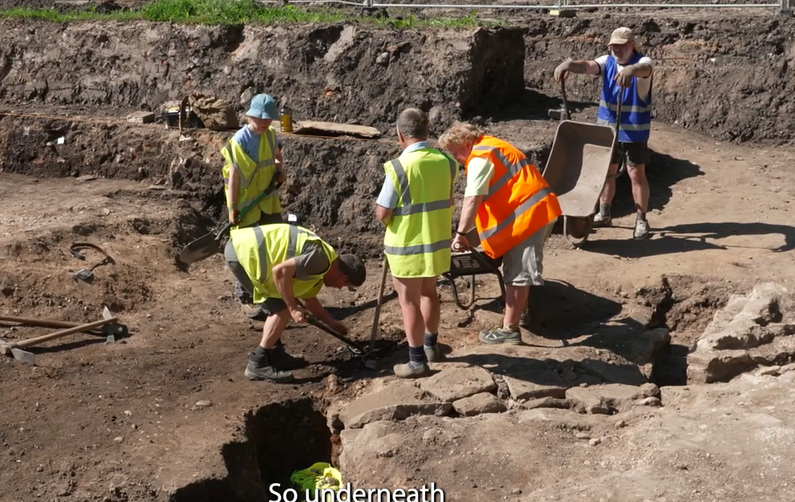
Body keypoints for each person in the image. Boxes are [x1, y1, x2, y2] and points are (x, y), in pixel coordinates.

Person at [438, 123, 563, 345]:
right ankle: (518, 311)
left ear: (467, 143)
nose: (455, 157)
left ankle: (510, 330)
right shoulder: (491, 147)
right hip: (533, 211)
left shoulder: (479, 158)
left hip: (530, 215)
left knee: (517, 272)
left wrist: (460, 234)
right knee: (516, 269)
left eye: (455, 151)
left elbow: (472, 199)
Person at [225, 223, 366, 382]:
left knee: (281, 306)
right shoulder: (321, 260)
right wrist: (293, 308)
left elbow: (308, 299)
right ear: (343, 278)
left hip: (245, 249)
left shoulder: (321, 269)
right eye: (346, 286)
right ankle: (257, 364)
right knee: (282, 310)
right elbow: (280, 271)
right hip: (244, 253)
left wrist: (331, 322)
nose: (340, 288)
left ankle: (275, 355)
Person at [375, 108, 458, 378]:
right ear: (427, 132)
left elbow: (383, 212)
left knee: (408, 300)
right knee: (429, 292)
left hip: (407, 245)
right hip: (436, 241)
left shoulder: (399, 167)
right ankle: (431, 346)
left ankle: (416, 360)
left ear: (400, 134)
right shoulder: (446, 162)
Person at [553, 27, 655, 239]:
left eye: (621, 46)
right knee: (605, 172)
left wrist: (631, 70)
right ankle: (604, 213)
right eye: (613, 46)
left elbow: (645, 69)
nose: (616, 50)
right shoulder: (607, 61)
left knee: (636, 174)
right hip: (607, 131)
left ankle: (642, 220)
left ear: (631, 45)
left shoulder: (643, 62)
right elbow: (589, 66)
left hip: (633, 132)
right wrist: (571, 65)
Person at [222, 93, 288, 317]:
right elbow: (234, 177)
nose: (264, 123)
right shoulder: (240, 140)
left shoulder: (270, 136)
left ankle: (274, 293)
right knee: (245, 250)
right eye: (261, 119)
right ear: (250, 116)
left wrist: (280, 172)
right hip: (245, 204)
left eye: (268, 120)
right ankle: (245, 292)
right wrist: (232, 208)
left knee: (273, 246)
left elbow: (277, 157)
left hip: (267, 201)